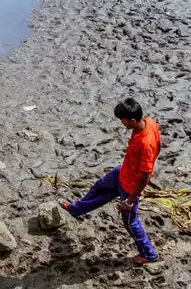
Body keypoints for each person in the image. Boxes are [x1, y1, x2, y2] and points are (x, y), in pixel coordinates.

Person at [62, 98, 160, 264]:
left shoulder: (145, 144)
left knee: (130, 221)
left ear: (133, 121)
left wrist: (129, 201)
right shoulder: (149, 122)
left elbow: (145, 175)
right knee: (99, 188)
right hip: (121, 172)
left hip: (130, 186)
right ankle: (75, 209)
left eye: (122, 120)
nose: (121, 123)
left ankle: (149, 253)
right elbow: (160, 144)